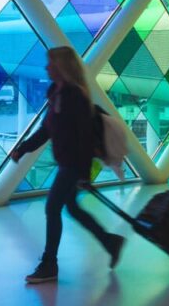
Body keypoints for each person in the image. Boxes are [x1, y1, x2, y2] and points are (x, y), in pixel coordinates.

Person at [10, 47, 124, 285]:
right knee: (71, 208)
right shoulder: (57, 93)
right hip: (67, 163)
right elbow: (46, 131)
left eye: (50, 63)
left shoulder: (75, 96)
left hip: (73, 165)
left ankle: (49, 263)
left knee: (53, 208)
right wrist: (23, 149)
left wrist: (83, 173)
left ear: (61, 66)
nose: (46, 67)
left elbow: (83, 137)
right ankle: (110, 242)